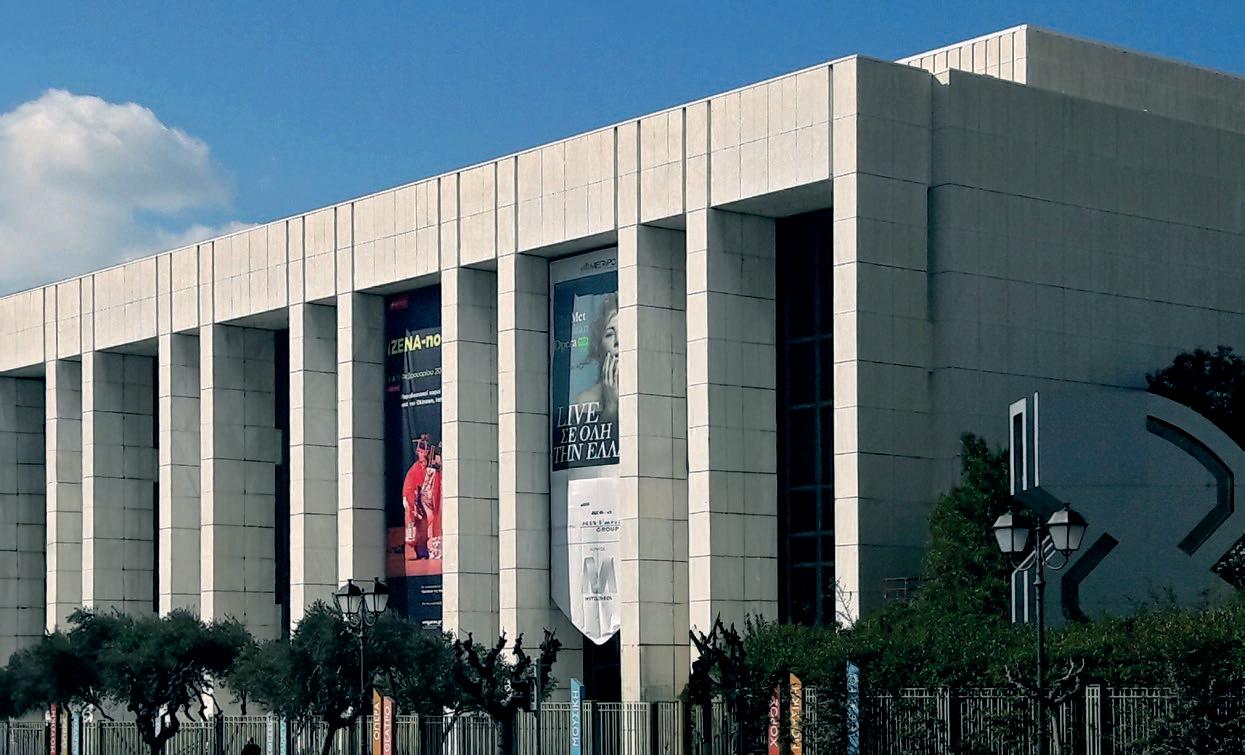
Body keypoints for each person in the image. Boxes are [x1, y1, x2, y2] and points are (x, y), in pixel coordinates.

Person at [573, 292, 619, 429]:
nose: (618, 341)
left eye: (625, 331)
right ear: (599, 346)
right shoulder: (585, 402)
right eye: (610, 334)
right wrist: (611, 407)